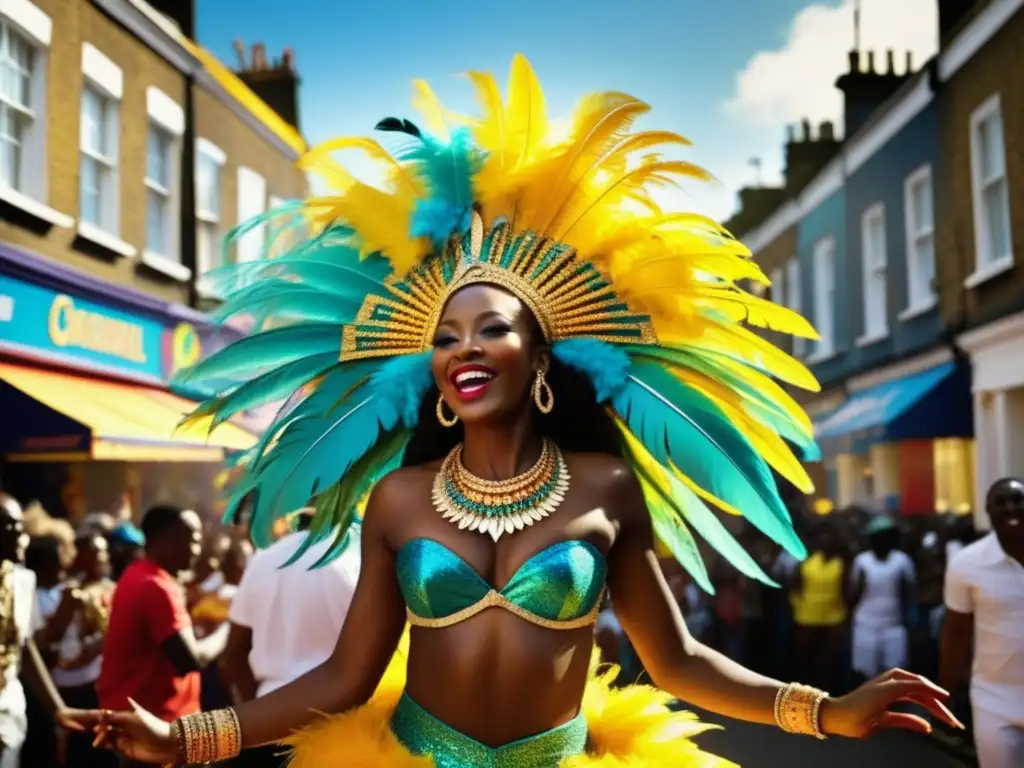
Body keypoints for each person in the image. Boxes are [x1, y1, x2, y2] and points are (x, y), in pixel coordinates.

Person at [67, 55, 958, 766]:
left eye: (488, 328)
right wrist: (188, 739)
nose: (461, 348)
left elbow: (679, 663)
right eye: (444, 335)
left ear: (539, 357)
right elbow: (342, 677)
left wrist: (825, 713)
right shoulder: (402, 499)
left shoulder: (606, 486)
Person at [219, 510, 361, 767]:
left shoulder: (264, 560)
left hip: (269, 728)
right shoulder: (358, 559)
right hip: (341, 731)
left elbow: (232, 656)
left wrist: (259, 712)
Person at [94, 505, 224, 766]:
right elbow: (191, 659)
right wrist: (230, 628)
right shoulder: (155, 585)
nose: (196, 550)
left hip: (146, 726)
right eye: (192, 540)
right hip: (157, 730)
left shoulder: (139, 574)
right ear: (160, 541)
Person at [940, 478, 1024, 768]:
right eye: (1001, 502)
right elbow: (956, 633)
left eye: (1018, 500)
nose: (1011, 507)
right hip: (994, 699)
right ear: (988, 511)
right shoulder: (967, 563)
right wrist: (944, 692)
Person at [0, 494, 77, 767]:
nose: (21, 536)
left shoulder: (22, 581)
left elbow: (25, 644)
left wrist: (58, 709)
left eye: (21, 527)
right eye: (9, 526)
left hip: (8, 713)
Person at [37, 532, 118, 768]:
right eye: (94, 553)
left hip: (98, 685)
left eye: (102, 552)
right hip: (64, 687)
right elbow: (57, 644)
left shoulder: (111, 589)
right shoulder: (64, 594)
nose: (101, 558)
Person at [849, 516, 916, 682]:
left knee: (894, 671)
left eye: (887, 536)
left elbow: (910, 592)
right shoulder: (861, 561)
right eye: (878, 537)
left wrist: (912, 620)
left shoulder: (902, 560)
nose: (883, 541)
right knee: (867, 672)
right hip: (866, 624)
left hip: (894, 625)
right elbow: (852, 594)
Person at [789, 520, 848, 691]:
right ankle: (804, 692)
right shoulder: (806, 561)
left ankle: (826, 694)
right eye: (823, 538)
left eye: (830, 539)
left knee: (828, 660)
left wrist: (844, 616)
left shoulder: (841, 563)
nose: (826, 542)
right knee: (806, 658)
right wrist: (797, 606)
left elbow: (846, 590)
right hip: (806, 616)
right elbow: (794, 585)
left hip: (833, 617)